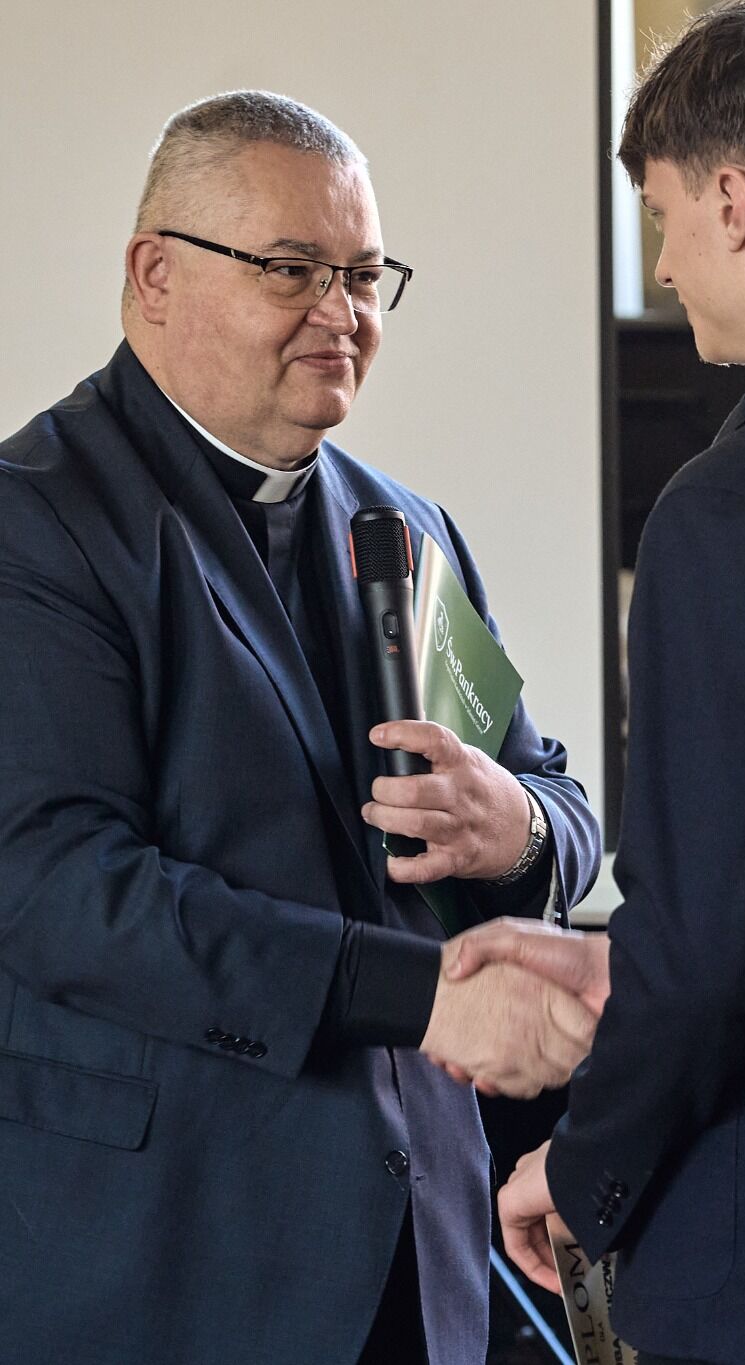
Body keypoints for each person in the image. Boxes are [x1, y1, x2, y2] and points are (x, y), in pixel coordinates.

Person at [0, 92, 602, 1365]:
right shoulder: (34, 524)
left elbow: (561, 809)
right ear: (154, 275)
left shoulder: (410, 532)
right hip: (174, 1272)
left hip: (425, 1263)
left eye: (364, 275)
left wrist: (516, 831)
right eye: (291, 269)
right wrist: (421, 998)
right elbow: (58, 891)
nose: (343, 313)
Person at [448, 3, 745, 1362]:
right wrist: (621, 961)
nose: (661, 264)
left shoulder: (734, 508)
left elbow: (710, 952)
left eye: (659, 217)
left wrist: (583, 1164)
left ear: (731, 198)